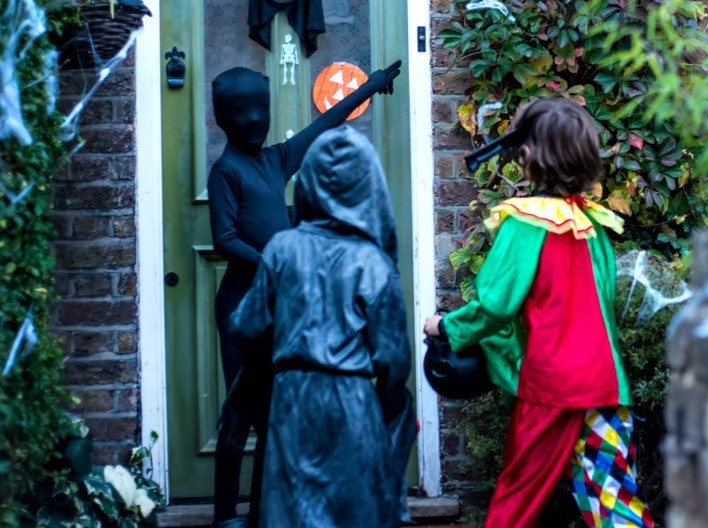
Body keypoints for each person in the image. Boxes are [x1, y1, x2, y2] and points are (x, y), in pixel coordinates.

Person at [423, 97, 655, 528]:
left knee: (517, 499)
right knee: (613, 504)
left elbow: (495, 305)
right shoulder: (594, 226)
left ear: (529, 153)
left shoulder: (525, 223)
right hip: (606, 383)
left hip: (552, 386)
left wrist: (446, 327)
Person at [207, 60, 400, 528]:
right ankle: (223, 515)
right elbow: (224, 239)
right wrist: (278, 262)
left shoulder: (276, 160)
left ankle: (260, 512)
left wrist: (370, 87)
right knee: (238, 414)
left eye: (261, 108)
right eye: (244, 111)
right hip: (240, 303)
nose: (256, 119)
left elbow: (323, 125)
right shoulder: (226, 171)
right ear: (224, 117)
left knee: (270, 415)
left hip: (278, 303)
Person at [232, 126, 417, 527]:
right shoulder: (373, 264)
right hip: (352, 403)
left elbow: (246, 327)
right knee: (355, 513)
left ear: (308, 183)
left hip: (293, 401)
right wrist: (385, 410)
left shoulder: (281, 249)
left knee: (293, 512)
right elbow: (394, 361)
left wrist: (274, 368)